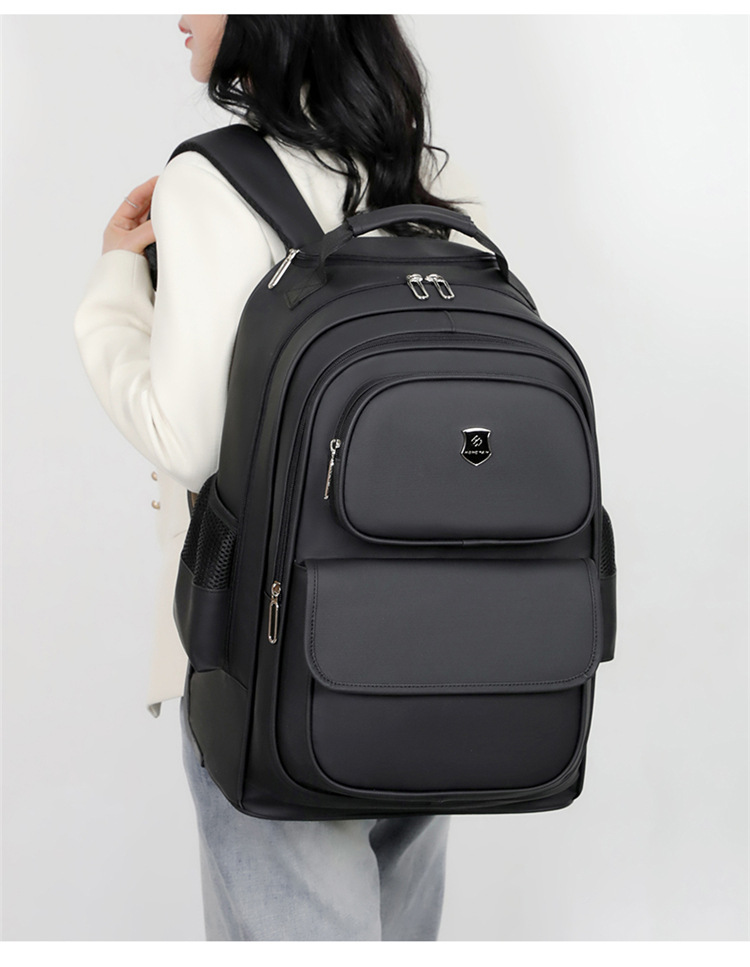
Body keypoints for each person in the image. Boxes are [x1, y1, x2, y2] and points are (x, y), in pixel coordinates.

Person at [73, 14, 490, 941]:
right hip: (442, 647)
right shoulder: (430, 178)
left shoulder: (213, 180)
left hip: (272, 656)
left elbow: (185, 441)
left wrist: (115, 285)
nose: (182, 15)